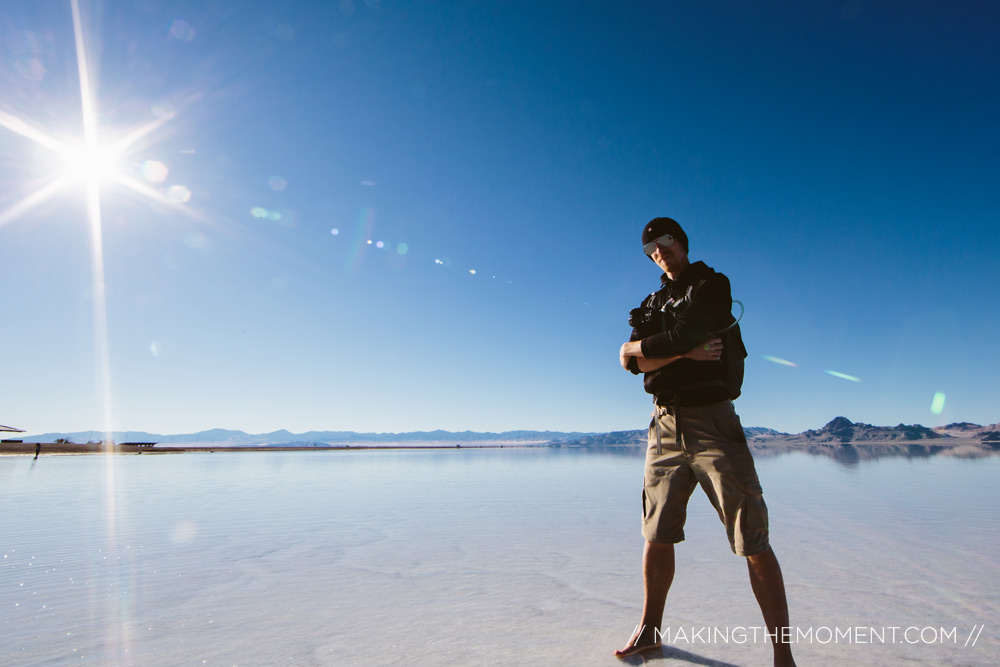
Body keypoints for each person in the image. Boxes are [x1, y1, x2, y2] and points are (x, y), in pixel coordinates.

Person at [616, 217, 796, 667]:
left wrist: (651, 349)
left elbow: (682, 335)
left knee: (751, 537)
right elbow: (629, 362)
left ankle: (783, 657)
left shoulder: (712, 285)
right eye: (650, 249)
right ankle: (649, 632)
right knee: (656, 532)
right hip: (663, 425)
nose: (659, 251)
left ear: (683, 242)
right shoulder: (653, 301)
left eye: (666, 242)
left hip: (713, 423)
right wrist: (652, 351)